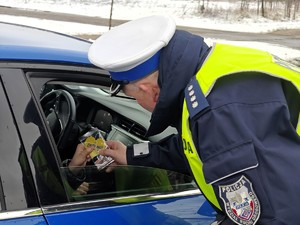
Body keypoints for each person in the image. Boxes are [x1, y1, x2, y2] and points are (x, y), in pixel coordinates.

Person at [88, 15, 300, 225]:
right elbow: (194, 148)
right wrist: (131, 154)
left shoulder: (218, 115)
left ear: (150, 91)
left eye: (134, 97)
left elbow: (274, 217)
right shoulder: (209, 69)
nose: (138, 103)